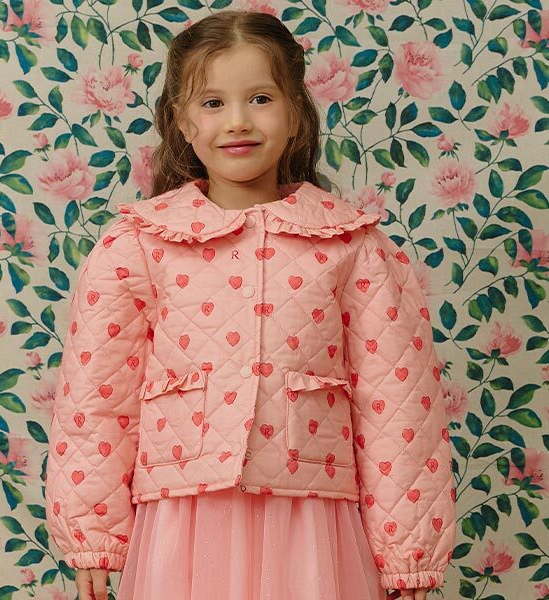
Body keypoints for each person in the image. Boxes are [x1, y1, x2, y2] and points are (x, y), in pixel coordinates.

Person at [45, 9, 456, 600]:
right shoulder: (136, 244)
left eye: (260, 98)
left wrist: (406, 551)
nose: (237, 121)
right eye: (212, 103)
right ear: (182, 120)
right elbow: (96, 398)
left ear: (296, 115)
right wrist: (93, 533)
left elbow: (397, 403)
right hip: (183, 516)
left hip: (310, 518)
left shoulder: (351, 245)